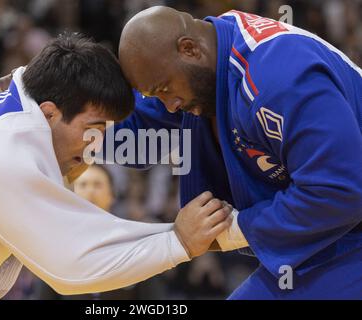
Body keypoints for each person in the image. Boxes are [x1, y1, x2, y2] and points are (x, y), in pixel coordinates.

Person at [0, 32, 233, 299]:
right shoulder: (4, 157)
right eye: (91, 129)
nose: (93, 144)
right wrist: (178, 242)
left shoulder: (9, 97)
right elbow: (73, 267)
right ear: (49, 113)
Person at [113, 6, 362, 299]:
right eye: (157, 95)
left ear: (189, 49)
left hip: (348, 221)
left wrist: (234, 230)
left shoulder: (276, 80)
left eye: (164, 89)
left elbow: (340, 190)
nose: (169, 106)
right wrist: (70, 127)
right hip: (339, 230)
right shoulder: (208, 55)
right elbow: (134, 128)